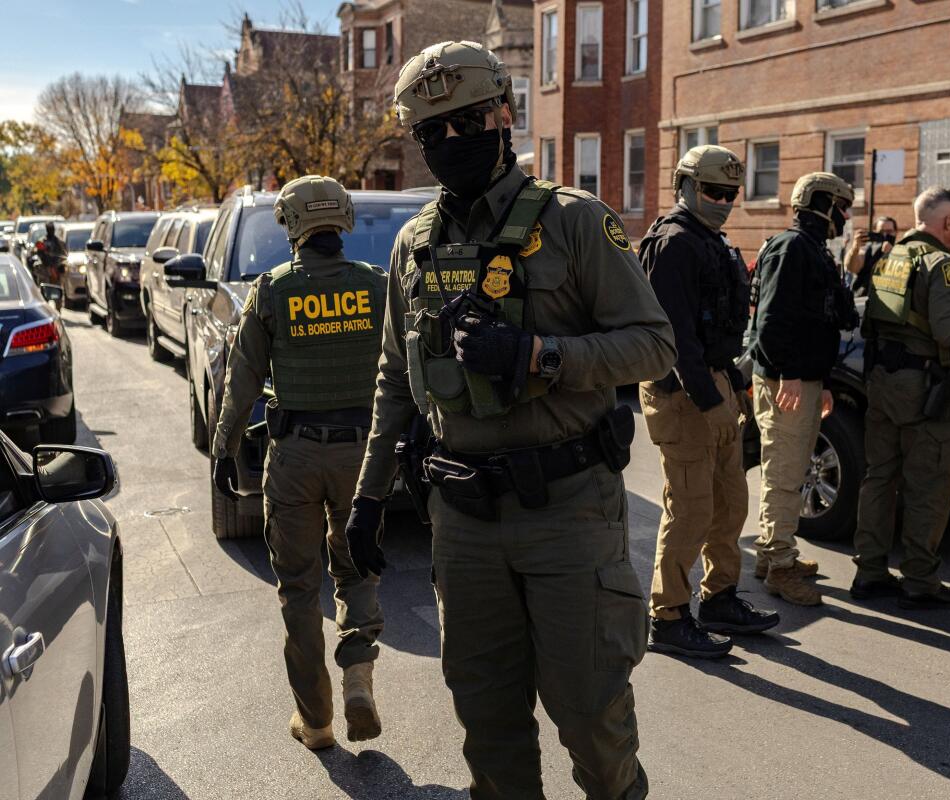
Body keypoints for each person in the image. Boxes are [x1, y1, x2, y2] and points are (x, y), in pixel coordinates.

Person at [346, 41, 676, 799]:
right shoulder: (413, 244)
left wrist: (538, 355)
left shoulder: (575, 222)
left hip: (567, 510)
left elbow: (654, 344)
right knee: (487, 723)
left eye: (466, 122)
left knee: (591, 717)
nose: (450, 141)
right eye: (431, 132)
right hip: (462, 520)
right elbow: (394, 378)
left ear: (504, 114)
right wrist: (367, 498)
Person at [211, 175, 388, 749]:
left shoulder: (271, 291)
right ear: (344, 219)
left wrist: (224, 448)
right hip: (362, 453)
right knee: (355, 568)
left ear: (290, 225)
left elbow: (241, 381)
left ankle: (316, 722)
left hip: (295, 456)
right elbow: (407, 370)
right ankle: (357, 675)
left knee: (298, 589)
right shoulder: (377, 287)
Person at [639, 145, 776, 660]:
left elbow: (716, 330)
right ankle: (669, 616)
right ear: (686, 186)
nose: (723, 201)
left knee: (730, 501)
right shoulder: (674, 242)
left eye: (730, 193)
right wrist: (708, 398)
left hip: (715, 382)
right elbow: (675, 337)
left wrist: (733, 387)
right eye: (713, 191)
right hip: (682, 391)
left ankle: (719, 598)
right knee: (691, 507)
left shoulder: (708, 239)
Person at [851, 187, 950, 608]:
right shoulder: (941, 264)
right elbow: (949, 332)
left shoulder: (891, 256)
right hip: (923, 388)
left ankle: (870, 573)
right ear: (948, 222)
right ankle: (920, 580)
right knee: (928, 485)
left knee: (879, 477)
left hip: (882, 381)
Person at [747, 172, 860, 607]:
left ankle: (770, 554)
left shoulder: (811, 248)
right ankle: (780, 567)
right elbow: (772, 321)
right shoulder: (792, 248)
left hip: (804, 380)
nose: (845, 216)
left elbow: (818, 321)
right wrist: (791, 373)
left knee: (789, 471)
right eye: (841, 207)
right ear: (822, 204)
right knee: (785, 474)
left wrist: (822, 381)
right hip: (786, 381)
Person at [844, 215, 897, 296]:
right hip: (864, 295)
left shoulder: (900, 250)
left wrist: (892, 255)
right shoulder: (868, 249)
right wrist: (855, 249)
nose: (885, 235)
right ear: (875, 232)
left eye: (889, 232)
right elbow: (851, 267)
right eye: (881, 232)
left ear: (895, 232)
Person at [37, 221, 67, 285]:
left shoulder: (58, 242)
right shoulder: (42, 241)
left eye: (52, 229)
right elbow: (39, 254)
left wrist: (59, 264)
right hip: (46, 268)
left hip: (56, 267)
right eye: (49, 229)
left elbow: (64, 254)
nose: (51, 231)